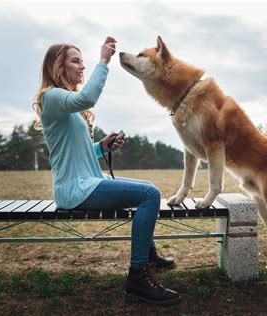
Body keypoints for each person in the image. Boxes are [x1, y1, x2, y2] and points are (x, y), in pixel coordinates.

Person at [33, 36, 180, 306]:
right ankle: (138, 278)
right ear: (58, 66)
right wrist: (104, 60)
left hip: (86, 183)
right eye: (75, 61)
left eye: (83, 62)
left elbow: (80, 152)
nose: (82, 67)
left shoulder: (65, 105)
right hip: (75, 189)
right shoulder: (52, 96)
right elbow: (88, 96)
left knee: (146, 188)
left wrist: (102, 146)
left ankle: (148, 256)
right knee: (149, 194)